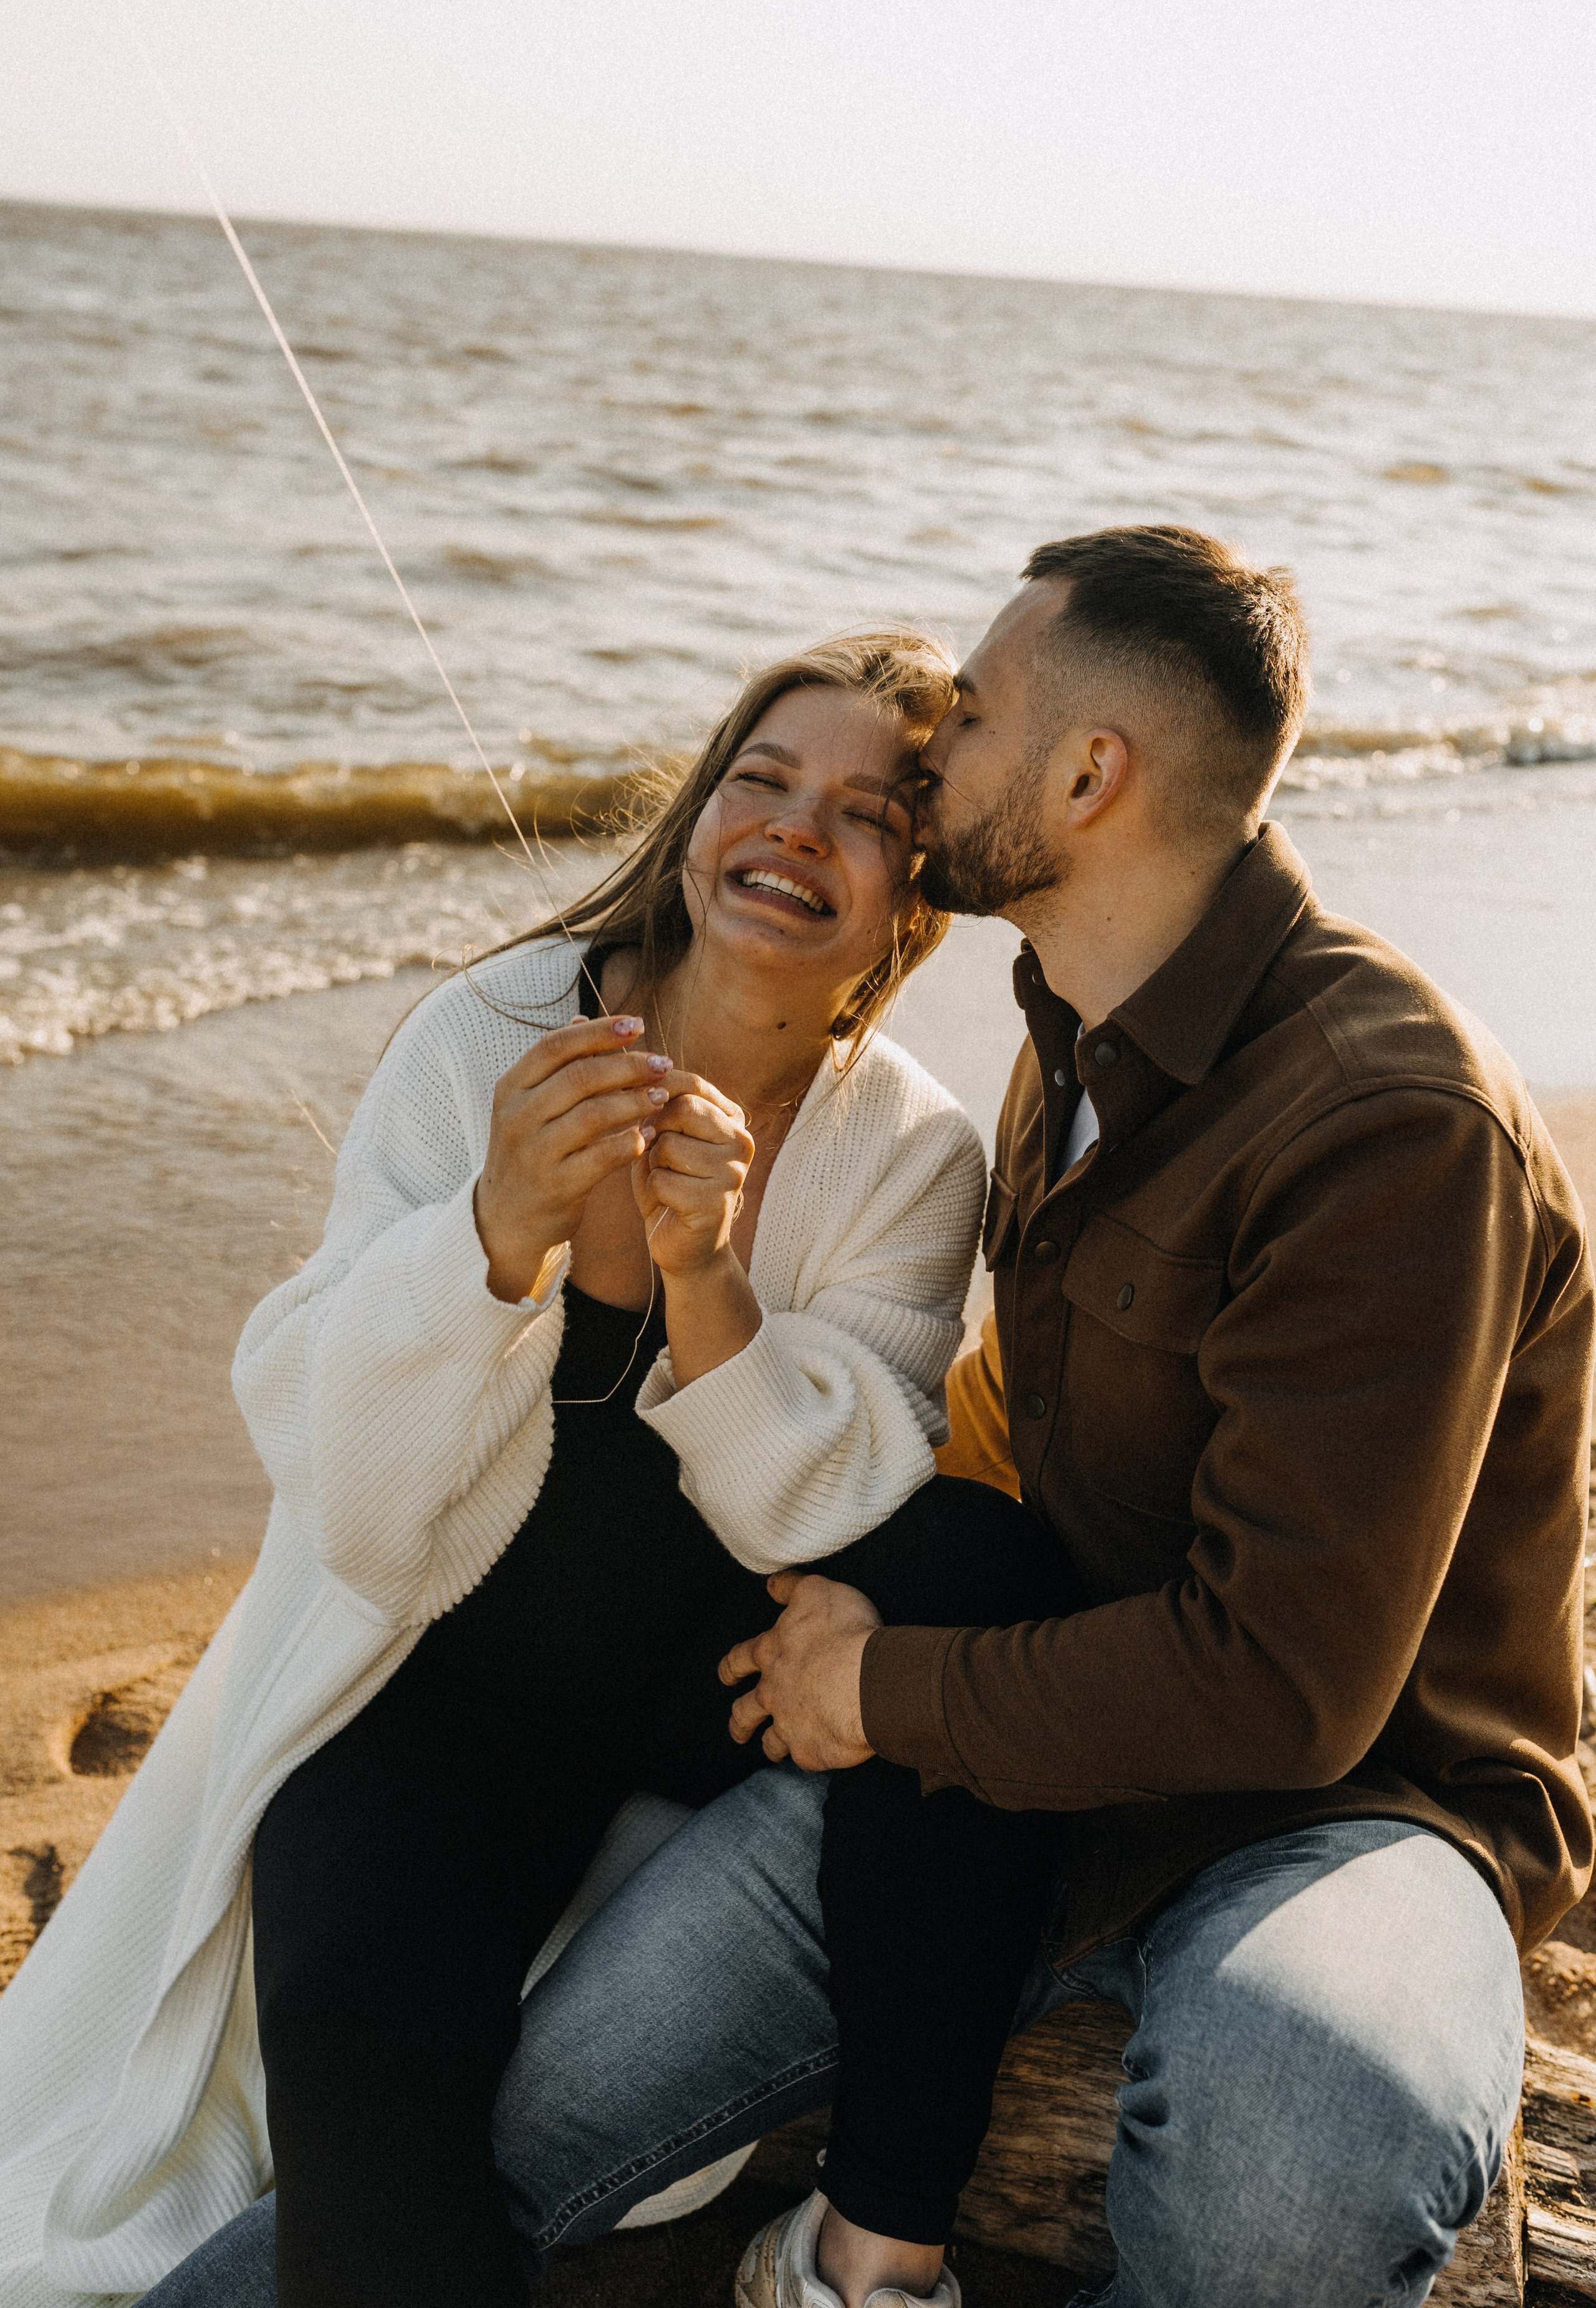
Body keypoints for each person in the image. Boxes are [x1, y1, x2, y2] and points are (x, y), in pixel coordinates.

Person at [140, 524, 1593, 2308]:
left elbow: (1293, 1690)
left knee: (1288, 2170)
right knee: (464, 2159)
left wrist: (876, 1677)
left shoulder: (1389, 1116)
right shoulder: (1073, 1032)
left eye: (959, 731)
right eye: (781, 784)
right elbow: (965, 1497)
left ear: (1086, 775)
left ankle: (864, 2263)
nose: (924, 767)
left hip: (1349, 1814)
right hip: (1008, 1762)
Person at [0, 626, 1072, 2308]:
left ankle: (870, 2253)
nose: (799, 828)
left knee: (974, 1566)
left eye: (867, 816)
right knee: (378, 2128)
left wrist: (710, 1275)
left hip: (701, 1689)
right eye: (766, 779)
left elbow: (835, 1513)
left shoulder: (912, 1150)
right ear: (703, 811)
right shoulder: (493, 1027)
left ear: (913, 901)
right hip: (427, 1697)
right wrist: (496, 1237)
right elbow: (345, 1495)